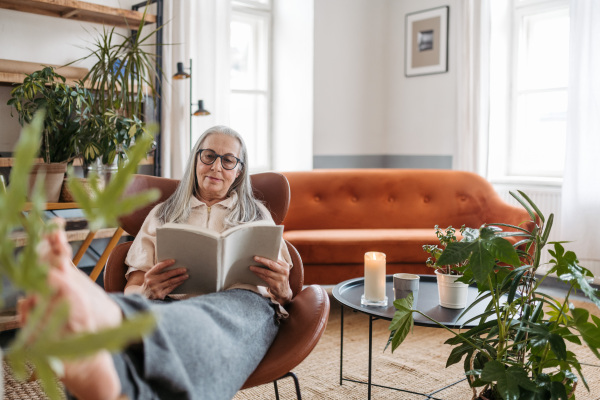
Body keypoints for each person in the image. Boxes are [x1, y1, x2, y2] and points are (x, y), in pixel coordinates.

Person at [22, 126, 293, 400]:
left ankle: (110, 320)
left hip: (244, 308)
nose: (216, 167)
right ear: (195, 160)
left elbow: (284, 296)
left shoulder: (256, 215)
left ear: (239, 172)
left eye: (228, 160)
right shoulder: (162, 215)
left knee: (227, 313)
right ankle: (114, 378)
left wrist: (283, 289)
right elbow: (135, 286)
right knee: (159, 316)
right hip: (172, 305)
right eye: (208, 155)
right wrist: (148, 292)